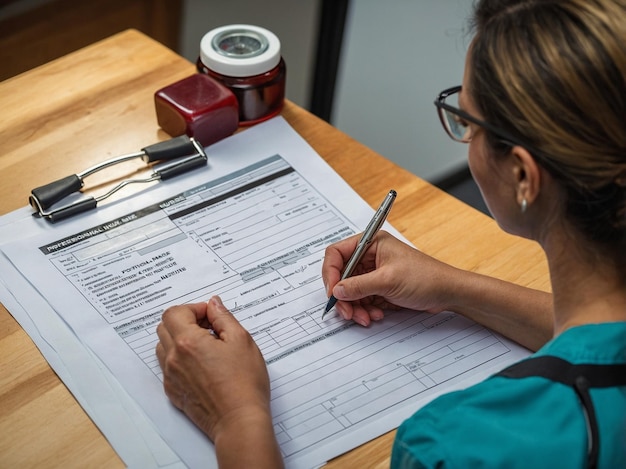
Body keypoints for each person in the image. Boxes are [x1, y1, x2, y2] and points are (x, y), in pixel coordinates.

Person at [155, 0, 626, 467]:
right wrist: (454, 289)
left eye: (467, 121)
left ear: (523, 176)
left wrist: (238, 417)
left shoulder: (457, 447)